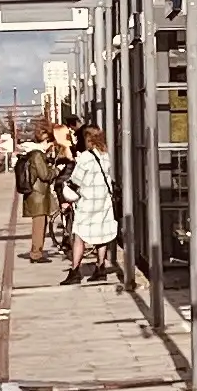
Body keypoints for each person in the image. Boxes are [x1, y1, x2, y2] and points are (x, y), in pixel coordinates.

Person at [62, 123, 119, 288]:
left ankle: (75, 271)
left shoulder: (86, 157)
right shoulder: (105, 155)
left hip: (87, 202)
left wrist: (68, 193)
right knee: (101, 235)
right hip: (103, 201)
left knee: (79, 236)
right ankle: (100, 268)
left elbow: (76, 181)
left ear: (87, 139)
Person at [15, 122, 60, 260]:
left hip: (37, 194)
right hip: (38, 195)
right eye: (51, 143)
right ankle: (36, 254)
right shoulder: (37, 155)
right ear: (46, 141)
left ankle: (37, 251)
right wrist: (57, 170)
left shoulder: (33, 154)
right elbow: (45, 174)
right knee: (39, 226)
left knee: (40, 224)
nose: (51, 147)